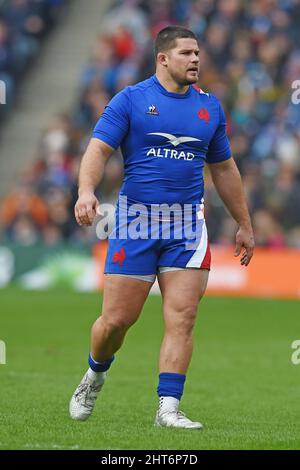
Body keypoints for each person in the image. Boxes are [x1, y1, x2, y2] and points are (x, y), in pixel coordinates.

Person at [69, 26, 254, 429]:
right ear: (163, 58)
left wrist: (244, 223)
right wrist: (86, 192)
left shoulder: (210, 108)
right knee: (116, 322)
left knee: (183, 316)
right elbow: (98, 149)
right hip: (136, 222)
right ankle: (95, 373)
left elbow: (224, 169)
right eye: (187, 53)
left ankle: (168, 407)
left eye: (198, 53)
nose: (195, 60)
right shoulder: (132, 100)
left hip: (188, 225)